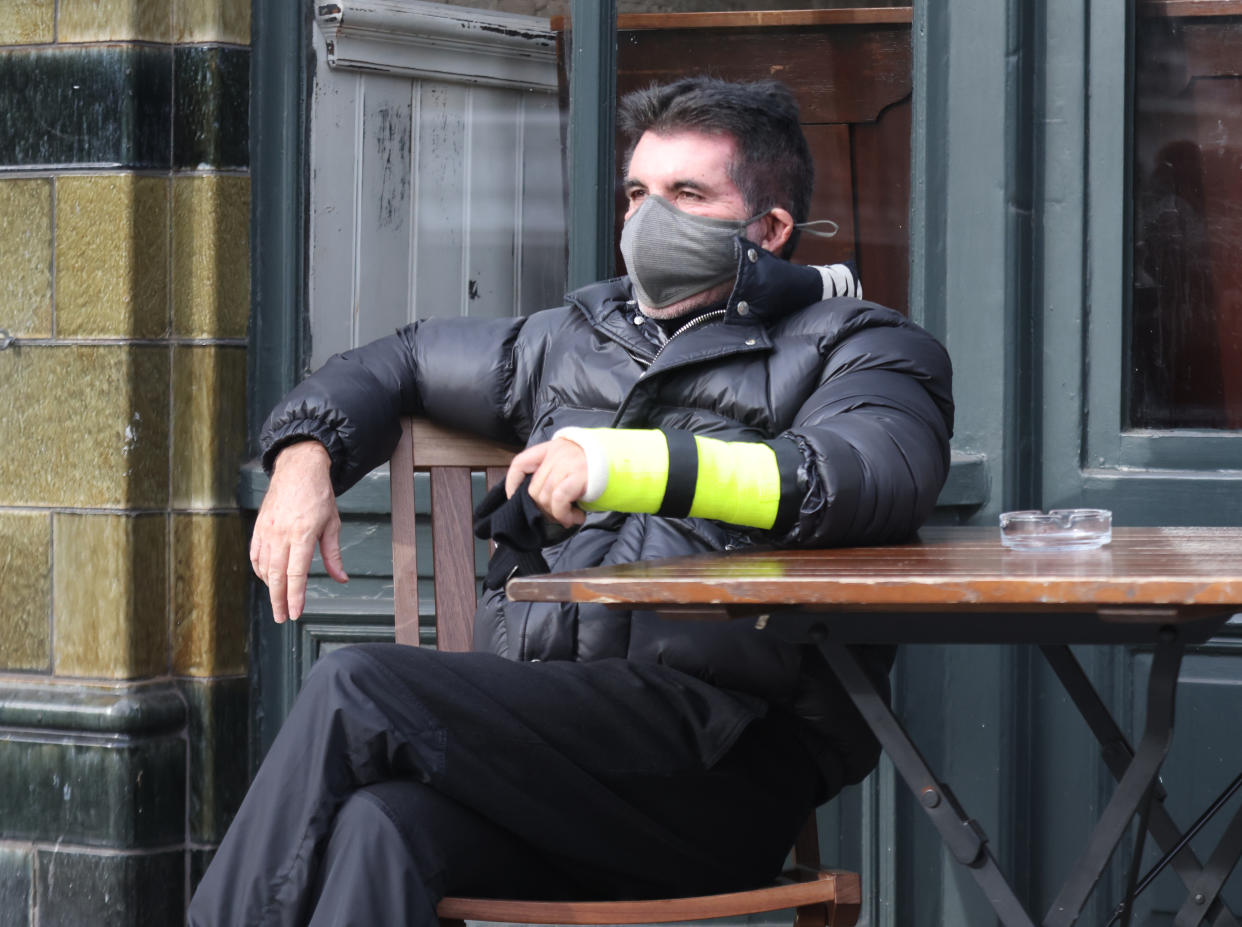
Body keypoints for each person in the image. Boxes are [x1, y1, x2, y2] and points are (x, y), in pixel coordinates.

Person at [188, 76, 954, 927]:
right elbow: (396, 362)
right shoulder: (576, 336)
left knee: (356, 685)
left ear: (769, 230)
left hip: (716, 767)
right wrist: (303, 457)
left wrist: (625, 462)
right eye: (637, 192)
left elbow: (852, 474)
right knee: (382, 827)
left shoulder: (864, 346)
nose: (645, 219)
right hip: (545, 751)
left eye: (686, 194)